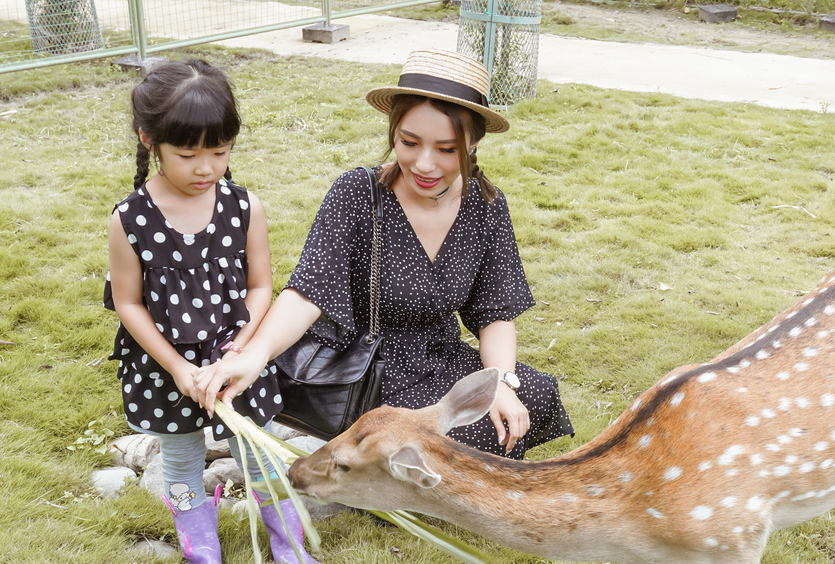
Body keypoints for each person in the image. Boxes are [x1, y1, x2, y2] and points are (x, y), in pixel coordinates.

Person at [195, 49, 573, 459]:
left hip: (437, 358)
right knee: (452, 444)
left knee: (531, 395)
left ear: (474, 142)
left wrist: (498, 382)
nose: (424, 164)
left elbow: (495, 312)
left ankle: (386, 466)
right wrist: (255, 356)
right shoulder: (358, 193)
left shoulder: (486, 206)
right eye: (409, 143)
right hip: (367, 369)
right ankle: (373, 466)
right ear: (393, 132)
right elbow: (309, 292)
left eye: (446, 150)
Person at [104, 59, 323, 564]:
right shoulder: (130, 219)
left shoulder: (244, 207)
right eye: (188, 154)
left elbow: (260, 288)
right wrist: (179, 368)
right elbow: (129, 305)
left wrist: (239, 353)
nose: (206, 167)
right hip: (167, 368)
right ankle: (201, 553)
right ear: (149, 139)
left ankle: (286, 539)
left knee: (261, 450)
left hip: (236, 360)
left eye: (219, 152)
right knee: (181, 459)